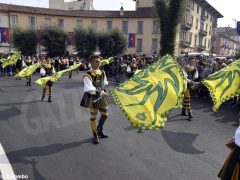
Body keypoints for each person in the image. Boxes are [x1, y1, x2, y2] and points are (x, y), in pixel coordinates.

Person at [80, 55, 109, 144]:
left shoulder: (102, 72)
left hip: (102, 97)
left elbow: (104, 83)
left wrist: (104, 91)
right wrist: (100, 93)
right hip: (93, 98)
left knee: (105, 115)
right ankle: (95, 134)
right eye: (97, 61)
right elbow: (89, 89)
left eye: (99, 61)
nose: (99, 62)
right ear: (91, 62)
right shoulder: (87, 74)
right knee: (93, 118)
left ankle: (99, 130)